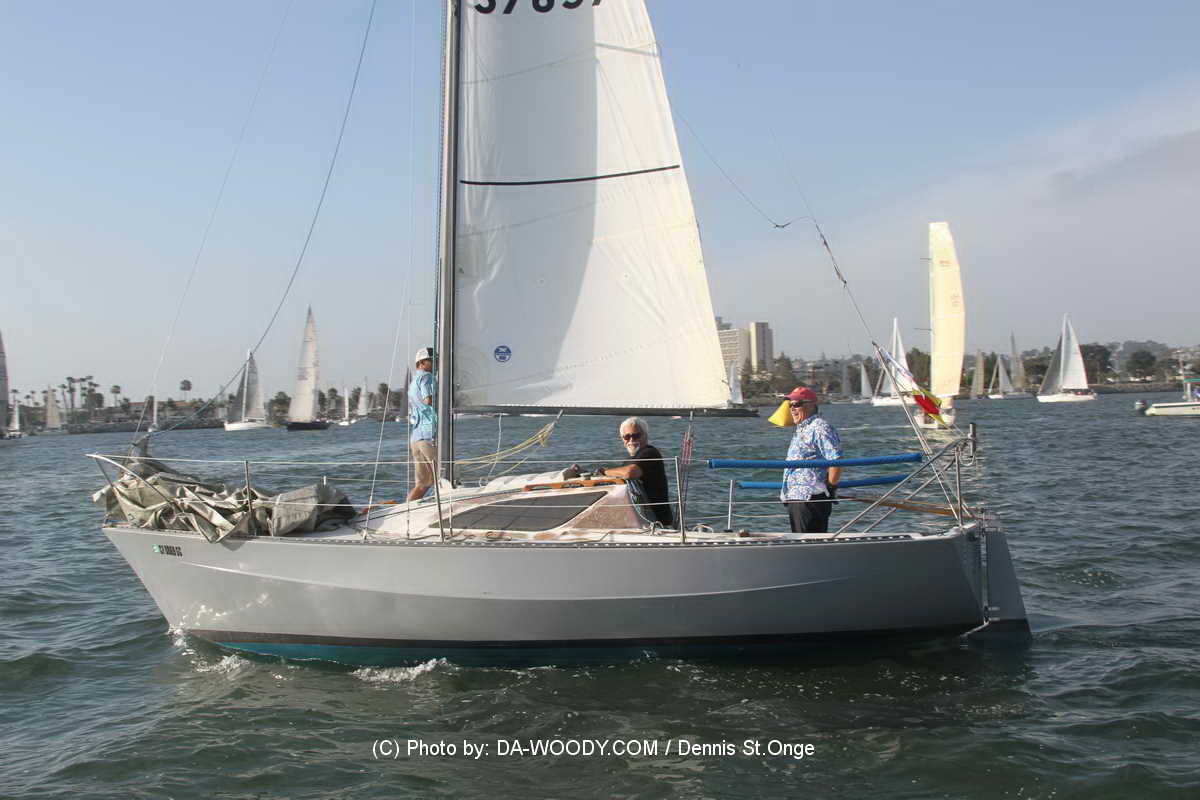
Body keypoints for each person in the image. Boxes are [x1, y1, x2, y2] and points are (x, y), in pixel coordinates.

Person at [567, 417, 674, 527]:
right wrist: (585, 473)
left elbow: (630, 472)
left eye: (636, 436)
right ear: (622, 439)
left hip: (656, 521)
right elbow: (619, 476)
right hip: (642, 519)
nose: (631, 440)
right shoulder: (630, 460)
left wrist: (604, 472)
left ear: (645, 436)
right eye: (627, 437)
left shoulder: (650, 453)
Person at [779, 387, 843, 533]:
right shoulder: (803, 428)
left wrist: (831, 487)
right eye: (790, 405)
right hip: (798, 496)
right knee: (801, 541)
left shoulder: (819, 428)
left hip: (810, 497)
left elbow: (836, 460)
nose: (792, 409)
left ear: (810, 405)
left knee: (807, 542)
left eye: (796, 404)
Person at [406, 347, 437, 501]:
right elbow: (428, 399)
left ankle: (407, 510)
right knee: (444, 477)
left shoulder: (412, 383)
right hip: (429, 435)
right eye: (433, 360)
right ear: (422, 363)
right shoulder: (427, 377)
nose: (437, 363)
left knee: (422, 484)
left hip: (416, 438)